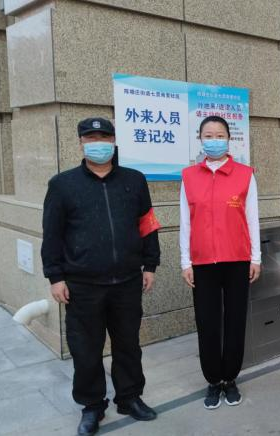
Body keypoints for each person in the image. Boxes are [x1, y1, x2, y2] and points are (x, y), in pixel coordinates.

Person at [42, 118, 161, 435]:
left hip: (127, 282)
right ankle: (92, 406)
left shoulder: (134, 180)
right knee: (86, 349)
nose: (98, 143)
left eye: (104, 137)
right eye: (91, 138)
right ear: (81, 143)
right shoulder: (62, 185)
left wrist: (150, 265)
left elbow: (148, 225)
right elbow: (52, 234)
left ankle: (129, 397)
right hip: (83, 286)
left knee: (128, 344)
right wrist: (55, 276)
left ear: (114, 141)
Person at [179, 115, 262, 410]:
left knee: (235, 320)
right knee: (207, 322)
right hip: (203, 263)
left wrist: (255, 258)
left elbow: (252, 219)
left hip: (237, 260)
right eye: (208, 135)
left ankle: (230, 377)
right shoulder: (189, 176)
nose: (214, 140)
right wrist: (186, 261)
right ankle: (213, 380)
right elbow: (185, 222)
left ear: (229, 139)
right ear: (200, 139)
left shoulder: (245, 175)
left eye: (219, 135)